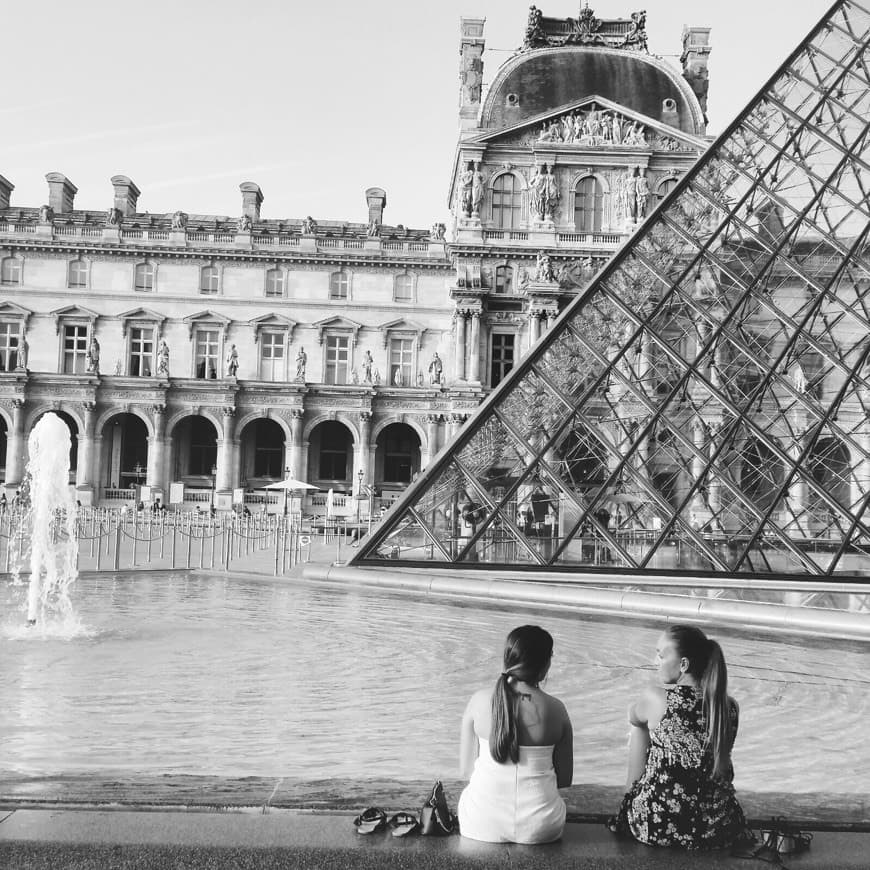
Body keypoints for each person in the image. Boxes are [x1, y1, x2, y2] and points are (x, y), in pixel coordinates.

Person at [609, 624, 751, 850]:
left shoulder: (657, 697)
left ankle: (626, 807)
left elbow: (633, 716)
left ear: (683, 664)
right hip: (718, 828)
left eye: (661, 655)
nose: (656, 662)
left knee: (639, 729)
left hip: (657, 825)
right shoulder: (727, 706)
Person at [458, 625, 573, 844]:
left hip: (479, 822)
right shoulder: (557, 709)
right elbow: (564, 779)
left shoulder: (479, 701)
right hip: (542, 826)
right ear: (545, 665)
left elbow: (465, 771)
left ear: (507, 659)